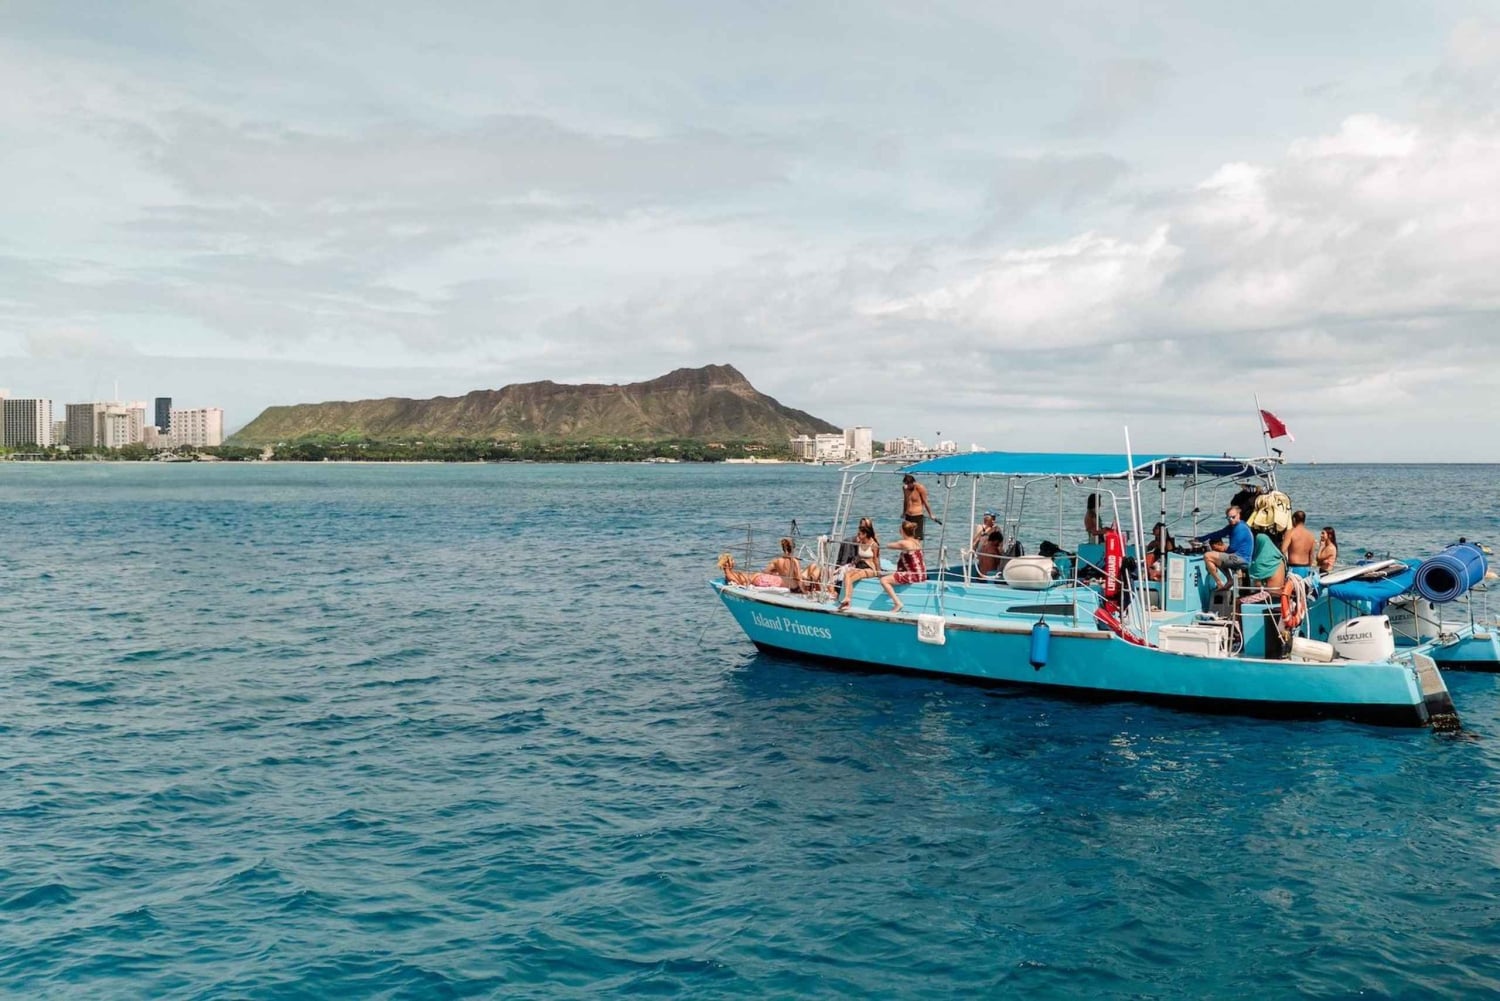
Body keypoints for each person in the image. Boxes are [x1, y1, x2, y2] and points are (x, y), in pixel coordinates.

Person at [1197, 505, 1253, 590]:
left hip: (1241, 559)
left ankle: (1220, 583)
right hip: (1238, 557)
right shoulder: (1231, 527)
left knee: (1207, 556)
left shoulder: (1240, 528)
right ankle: (1229, 581)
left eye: (1233, 517)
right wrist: (1200, 539)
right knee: (1216, 557)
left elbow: (1232, 549)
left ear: (1239, 515)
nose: (1231, 520)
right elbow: (1218, 534)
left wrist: (1220, 549)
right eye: (1228, 518)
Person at [878, 521, 927, 613]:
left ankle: (897, 603)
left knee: (883, 580)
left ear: (902, 531)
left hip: (913, 575)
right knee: (886, 574)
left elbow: (888, 546)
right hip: (921, 574)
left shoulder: (905, 543)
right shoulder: (916, 541)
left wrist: (877, 541)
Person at [837, 523, 881, 610]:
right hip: (860, 565)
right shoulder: (860, 542)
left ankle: (847, 600)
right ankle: (847, 599)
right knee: (847, 574)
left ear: (865, 534)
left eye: (859, 534)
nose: (858, 535)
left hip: (870, 568)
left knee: (852, 577)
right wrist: (852, 564)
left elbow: (876, 559)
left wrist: (878, 572)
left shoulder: (874, 544)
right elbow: (860, 556)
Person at [901, 474, 937, 541]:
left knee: (917, 537)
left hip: (917, 515)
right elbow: (905, 500)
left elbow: (926, 502)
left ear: (913, 482)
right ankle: (909, 551)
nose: (907, 486)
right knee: (907, 536)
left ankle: (917, 551)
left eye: (909, 484)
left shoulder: (920, 488)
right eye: (906, 484)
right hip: (908, 515)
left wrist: (931, 514)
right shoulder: (905, 488)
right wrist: (903, 512)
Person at [1282, 510, 1317, 576]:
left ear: (1294, 520)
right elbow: (1311, 555)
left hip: (1294, 568)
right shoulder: (1311, 535)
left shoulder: (1290, 533)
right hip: (1306, 568)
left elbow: (1283, 550)